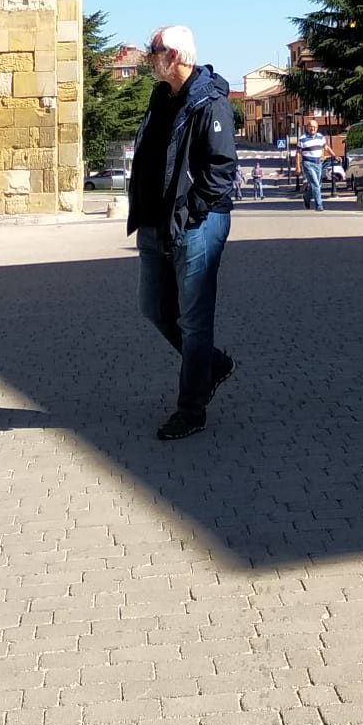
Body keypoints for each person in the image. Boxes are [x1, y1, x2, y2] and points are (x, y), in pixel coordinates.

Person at [128, 25, 238, 441]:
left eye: (152, 50)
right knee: (153, 307)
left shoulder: (211, 102)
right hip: (155, 222)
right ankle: (211, 363)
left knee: (194, 319)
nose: (147, 57)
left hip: (196, 223)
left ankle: (191, 408)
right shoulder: (160, 99)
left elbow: (221, 168)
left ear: (173, 55)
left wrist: (192, 212)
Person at [297, 124, 327, 210]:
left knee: (316, 184)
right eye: (310, 126)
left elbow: (325, 147)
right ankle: (319, 205)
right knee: (316, 184)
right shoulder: (302, 138)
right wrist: (298, 166)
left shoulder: (320, 137)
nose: (312, 128)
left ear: (317, 128)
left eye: (314, 127)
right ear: (307, 127)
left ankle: (307, 197)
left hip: (318, 163)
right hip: (307, 163)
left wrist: (334, 156)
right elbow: (298, 152)